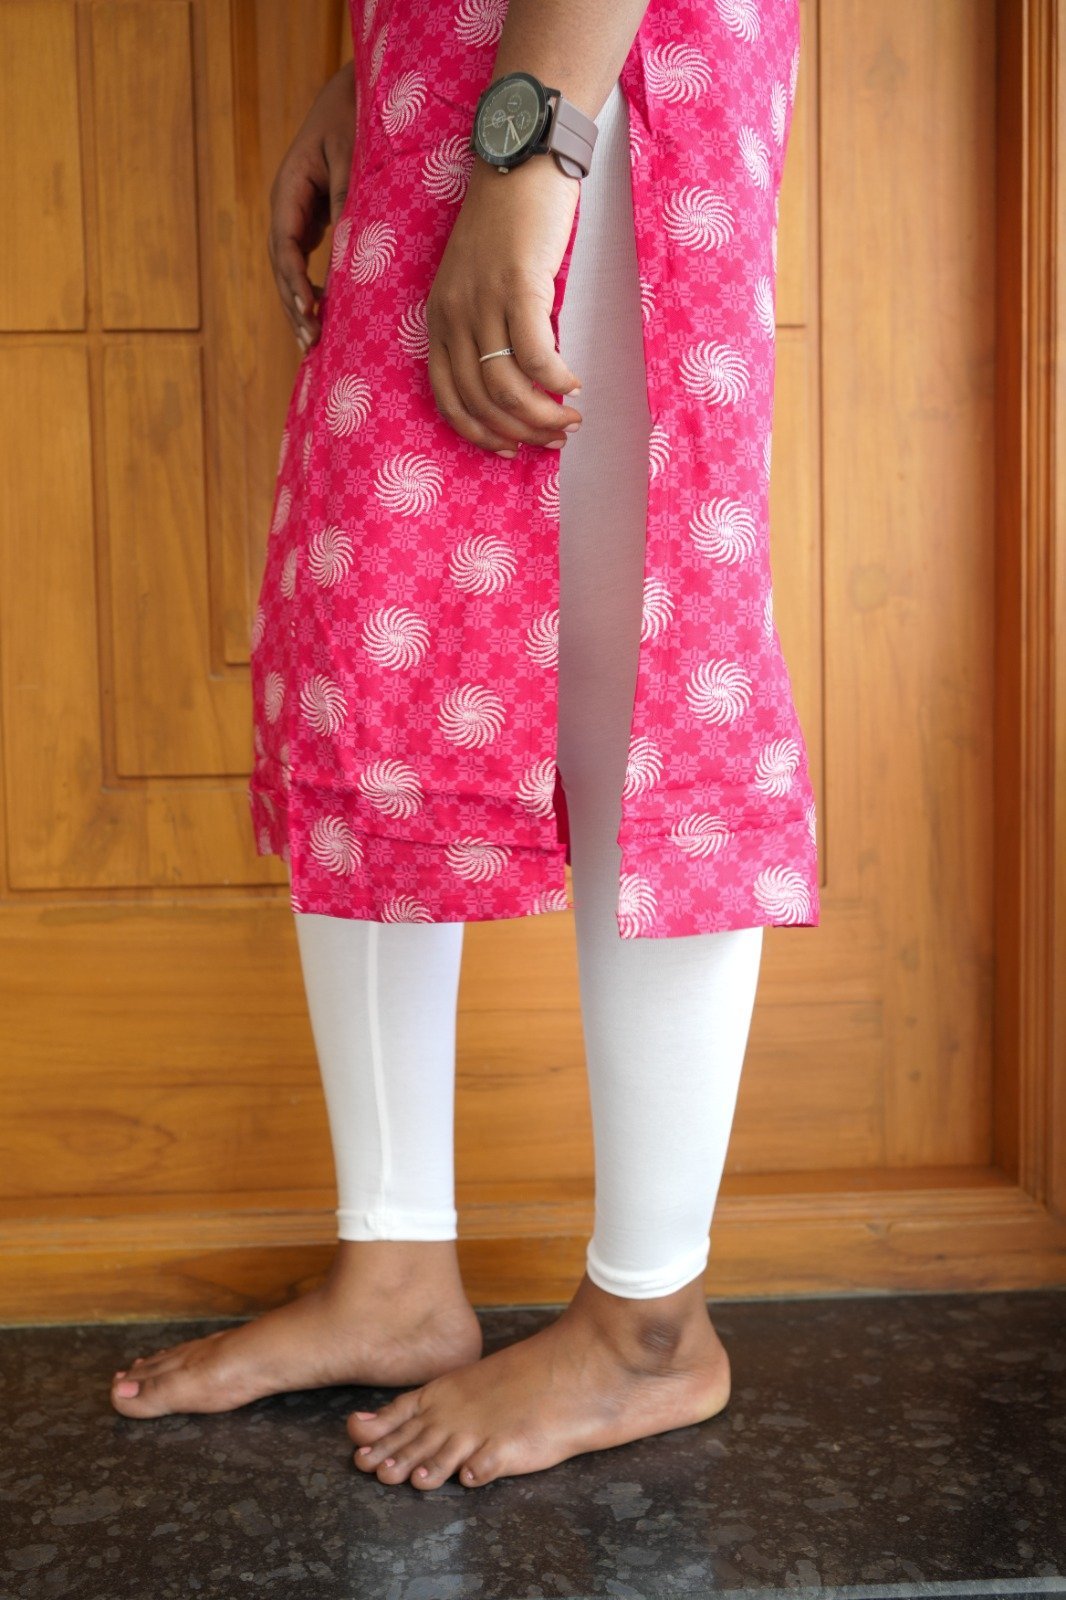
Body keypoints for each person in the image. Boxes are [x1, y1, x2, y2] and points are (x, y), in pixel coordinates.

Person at [111, 0, 814, 1493]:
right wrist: (371, 64)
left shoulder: (547, 130)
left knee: (648, 677)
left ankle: (649, 1321)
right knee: (377, 653)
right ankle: (393, 1271)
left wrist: (534, 147)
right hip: (460, 72)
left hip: (602, 73)